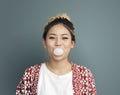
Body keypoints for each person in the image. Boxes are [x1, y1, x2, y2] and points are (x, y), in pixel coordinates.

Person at [16, 13, 97, 95]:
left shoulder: (85, 75)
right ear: (44, 43)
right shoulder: (30, 74)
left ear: (72, 43)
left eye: (64, 38)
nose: (58, 43)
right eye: (52, 37)